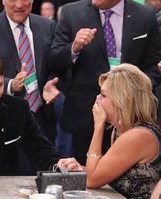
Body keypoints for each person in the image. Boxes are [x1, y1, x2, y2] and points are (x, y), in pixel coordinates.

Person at [48, 0, 161, 165]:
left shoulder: (145, 15)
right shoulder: (72, 12)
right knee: (85, 179)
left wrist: (133, 91)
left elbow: (154, 67)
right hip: (85, 117)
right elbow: (54, 62)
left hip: (132, 120)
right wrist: (74, 48)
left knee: (123, 182)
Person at [58, 63, 161, 199]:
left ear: (122, 100)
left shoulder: (138, 136)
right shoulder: (125, 131)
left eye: (104, 95)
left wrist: (98, 126)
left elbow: (92, 180)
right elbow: (102, 173)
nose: (97, 99)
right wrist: (81, 169)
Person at [0, 0, 57, 145]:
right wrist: (10, 85)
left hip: (44, 116)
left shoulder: (48, 26)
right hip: (4, 118)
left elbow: (55, 63)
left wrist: (52, 82)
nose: (19, 5)